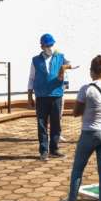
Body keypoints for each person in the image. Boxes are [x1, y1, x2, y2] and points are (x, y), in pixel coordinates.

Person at [57, 55, 101, 201]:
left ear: (92, 71)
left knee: (78, 168)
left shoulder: (87, 88)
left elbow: (76, 113)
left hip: (89, 132)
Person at [27, 33, 72, 161]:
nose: (50, 47)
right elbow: (31, 78)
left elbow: (74, 64)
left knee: (56, 123)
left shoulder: (60, 56)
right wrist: (29, 96)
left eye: (51, 45)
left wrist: (64, 67)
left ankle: (54, 149)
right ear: (42, 46)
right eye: (47, 45)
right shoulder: (35, 60)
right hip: (41, 96)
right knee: (42, 124)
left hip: (56, 94)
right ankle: (43, 150)